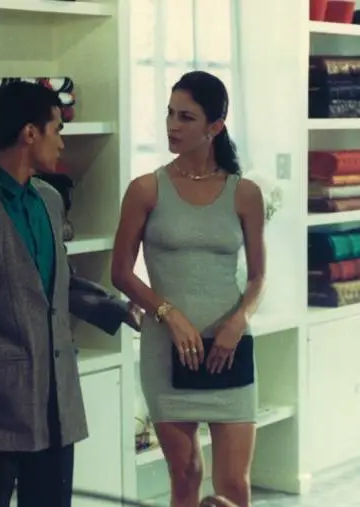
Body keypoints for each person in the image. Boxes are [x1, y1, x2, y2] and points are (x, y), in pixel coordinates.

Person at [0, 81, 142, 507]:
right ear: (29, 133)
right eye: (56, 130)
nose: (61, 143)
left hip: (55, 402)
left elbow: (58, 284)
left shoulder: (49, 200)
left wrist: (119, 309)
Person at [111, 70, 265, 507]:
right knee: (186, 474)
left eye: (186, 117)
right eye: (170, 114)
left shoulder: (244, 194)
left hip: (228, 349)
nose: (172, 126)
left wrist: (239, 321)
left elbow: (257, 277)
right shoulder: (146, 189)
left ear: (215, 126)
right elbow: (120, 272)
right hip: (167, 351)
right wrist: (169, 314)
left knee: (234, 485)